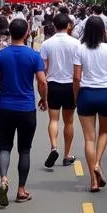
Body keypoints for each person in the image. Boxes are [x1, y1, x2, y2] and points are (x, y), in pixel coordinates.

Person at [0, 17, 47, 205]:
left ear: (9, 33)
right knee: (24, 149)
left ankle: (3, 178)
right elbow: (42, 82)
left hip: (5, 107)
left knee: (5, 146)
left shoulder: (1, 55)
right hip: (26, 108)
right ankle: (21, 190)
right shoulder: (34, 56)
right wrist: (44, 99)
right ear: (27, 33)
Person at [73, 15, 107, 192]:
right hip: (105, 93)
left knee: (88, 138)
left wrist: (76, 96)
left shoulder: (80, 49)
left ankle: (93, 179)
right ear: (102, 31)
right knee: (103, 133)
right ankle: (98, 164)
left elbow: (76, 77)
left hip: (86, 94)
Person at [39, 12, 78, 169]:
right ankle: (67, 155)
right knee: (69, 121)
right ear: (69, 26)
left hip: (53, 84)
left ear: (54, 25)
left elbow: (44, 69)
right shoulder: (76, 44)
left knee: (53, 120)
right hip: (70, 86)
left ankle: (54, 147)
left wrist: (42, 93)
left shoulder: (47, 44)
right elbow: (78, 70)